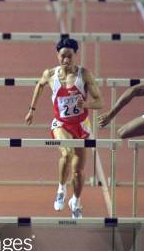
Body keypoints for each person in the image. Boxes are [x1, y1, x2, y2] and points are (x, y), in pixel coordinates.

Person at [25, 38, 103, 219]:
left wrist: (87, 104)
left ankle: (75, 201)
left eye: (69, 56)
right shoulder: (50, 74)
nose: (66, 60)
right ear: (57, 55)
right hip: (60, 123)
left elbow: (100, 102)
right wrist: (32, 110)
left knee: (78, 170)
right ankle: (61, 189)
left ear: (75, 55)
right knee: (67, 153)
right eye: (62, 56)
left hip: (82, 126)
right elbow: (40, 85)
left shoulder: (84, 75)